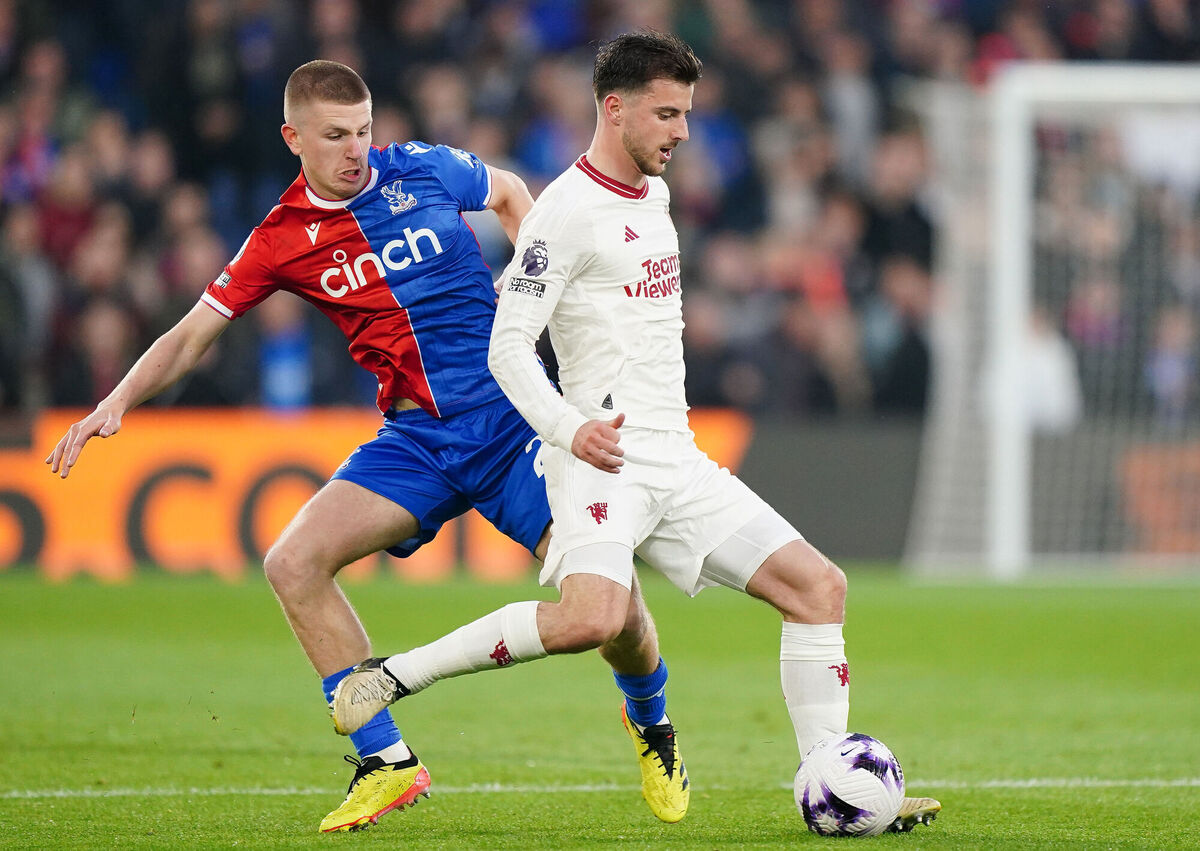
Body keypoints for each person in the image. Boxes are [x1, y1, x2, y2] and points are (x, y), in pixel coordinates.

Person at [45, 59, 686, 833]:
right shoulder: (280, 238)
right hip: (418, 440)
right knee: (292, 562)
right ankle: (387, 760)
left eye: (362, 131)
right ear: (293, 138)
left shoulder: (422, 168)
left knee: (611, 613)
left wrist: (536, 293)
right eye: (335, 136)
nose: (355, 150)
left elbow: (513, 193)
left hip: (516, 424)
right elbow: (191, 335)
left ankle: (651, 722)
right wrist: (115, 401)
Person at [332, 32, 940, 832]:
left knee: (820, 588)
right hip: (602, 461)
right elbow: (508, 346)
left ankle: (833, 781)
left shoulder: (653, 195)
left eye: (686, 114)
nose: (682, 131)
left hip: (676, 459)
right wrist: (568, 427)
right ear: (614, 109)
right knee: (592, 618)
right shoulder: (563, 212)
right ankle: (396, 674)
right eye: (666, 114)